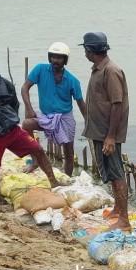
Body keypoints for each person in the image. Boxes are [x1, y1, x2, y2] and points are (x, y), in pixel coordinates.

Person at [0, 52, 62, 204]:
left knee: (37, 149)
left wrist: (9, 118)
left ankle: (53, 181)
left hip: (11, 129)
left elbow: (14, 104)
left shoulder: (5, 83)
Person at [79, 32, 131, 232]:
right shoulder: (99, 70)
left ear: (91, 50)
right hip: (100, 131)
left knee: (117, 172)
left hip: (108, 133)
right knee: (109, 171)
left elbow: (117, 104)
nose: (84, 52)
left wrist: (111, 136)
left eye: (85, 49)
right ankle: (118, 209)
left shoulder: (111, 71)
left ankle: (124, 220)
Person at [21, 42, 86, 176]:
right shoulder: (40, 69)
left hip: (64, 118)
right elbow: (25, 88)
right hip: (46, 116)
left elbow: (80, 103)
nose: (55, 60)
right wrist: (29, 107)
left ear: (65, 59)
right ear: (49, 57)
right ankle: (35, 161)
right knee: (27, 124)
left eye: (59, 57)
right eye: (53, 57)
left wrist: (88, 122)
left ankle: (68, 176)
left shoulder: (72, 80)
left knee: (68, 153)